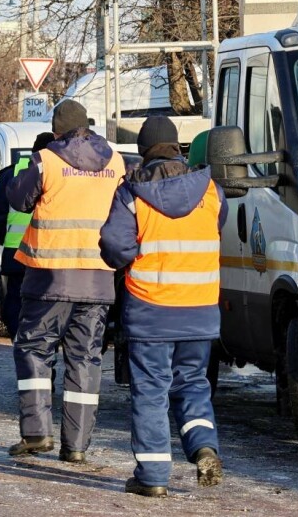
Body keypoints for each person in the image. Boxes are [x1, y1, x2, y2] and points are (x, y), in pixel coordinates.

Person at [101, 116, 226, 497]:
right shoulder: (210, 190)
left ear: (143, 152)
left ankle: (153, 478)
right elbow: (216, 229)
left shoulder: (133, 192)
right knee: (192, 384)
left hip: (151, 310)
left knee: (151, 391)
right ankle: (203, 445)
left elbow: (115, 247)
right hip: (201, 308)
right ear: (177, 148)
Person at [6, 100, 123, 464]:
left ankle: (37, 433)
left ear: (57, 130)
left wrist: (34, 159)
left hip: (49, 277)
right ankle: (76, 447)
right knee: (85, 359)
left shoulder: (47, 159)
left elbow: (17, 199)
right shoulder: (115, 161)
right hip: (99, 279)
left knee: (34, 349)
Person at [0, 131, 54, 337]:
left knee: (15, 307)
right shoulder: (60, 174)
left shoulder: (14, 173)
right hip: (49, 257)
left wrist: (5, 239)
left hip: (17, 254)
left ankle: (24, 345)